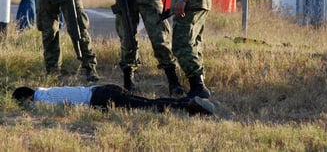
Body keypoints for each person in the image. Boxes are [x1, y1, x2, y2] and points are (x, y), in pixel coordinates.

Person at [12, 84, 215, 115]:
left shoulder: (42, 102)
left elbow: (41, 110)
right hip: (102, 89)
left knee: (145, 106)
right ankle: (184, 101)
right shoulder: (46, 90)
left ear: (28, 99)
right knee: (144, 101)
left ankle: (187, 106)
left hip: (99, 98)